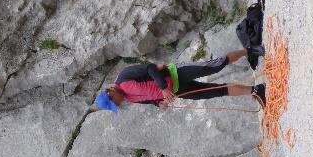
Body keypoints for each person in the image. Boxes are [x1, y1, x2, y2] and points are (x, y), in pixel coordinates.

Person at [95, 48, 266, 112]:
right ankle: (255, 90)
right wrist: (159, 104)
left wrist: (162, 88)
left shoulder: (124, 76)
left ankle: (249, 50)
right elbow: (150, 100)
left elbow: (150, 68)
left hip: (177, 73)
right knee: (215, 91)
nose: (118, 105)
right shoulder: (129, 98)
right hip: (180, 91)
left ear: (110, 93)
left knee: (214, 66)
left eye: (114, 103)